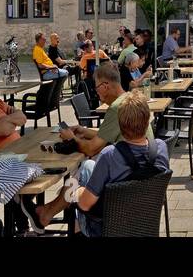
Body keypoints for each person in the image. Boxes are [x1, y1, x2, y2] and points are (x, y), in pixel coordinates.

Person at [24, 61, 152, 230]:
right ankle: (47, 211)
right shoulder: (130, 104)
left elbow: (92, 148)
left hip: (119, 200)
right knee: (80, 174)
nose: (95, 90)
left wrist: (72, 138)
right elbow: (111, 136)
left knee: (83, 171)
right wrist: (84, 131)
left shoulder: (117, 108)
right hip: (140, 192)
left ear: (105, 86)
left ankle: (47, 213)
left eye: (96, 86)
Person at [67, 90, 170, 237]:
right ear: (147, 121)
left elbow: (85, 204)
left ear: (119, 126)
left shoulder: (109, 155)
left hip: (108, 228)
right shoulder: (160, 148)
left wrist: (76, 191)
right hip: (145, 222)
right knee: (87, 167)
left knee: (74, 193)